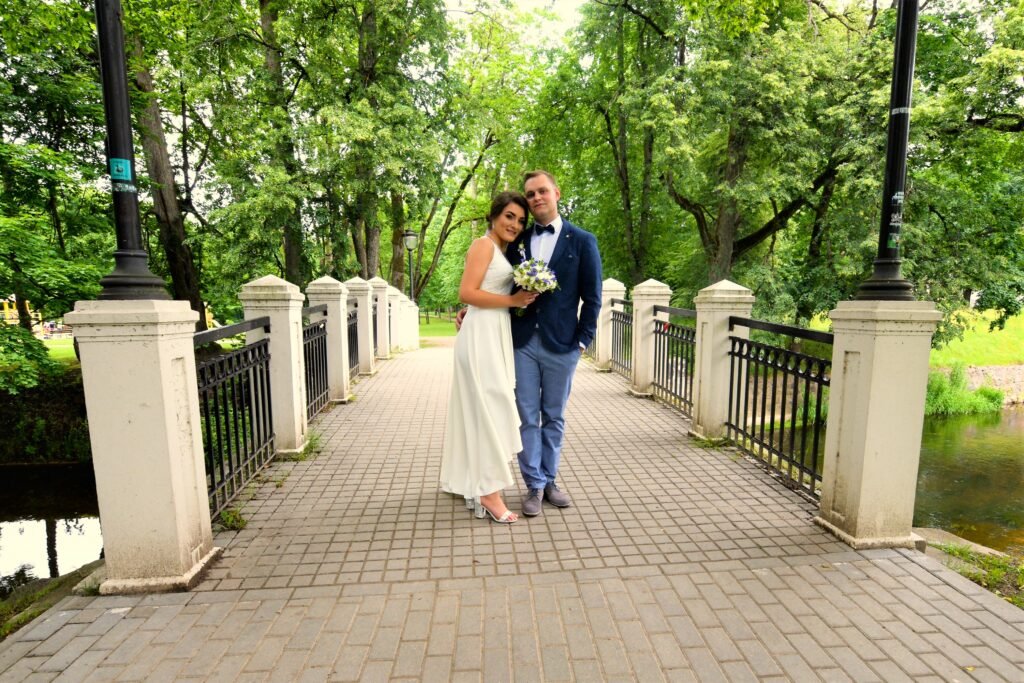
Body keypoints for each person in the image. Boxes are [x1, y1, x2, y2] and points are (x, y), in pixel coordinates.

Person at [457, 171, 603, 517]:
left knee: (554, 416)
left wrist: (582, 342)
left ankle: (550, 480)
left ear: (556, 193)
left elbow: (593, 297)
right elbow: (493, 281)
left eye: (542, 191)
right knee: (524, 416)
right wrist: (468, 309)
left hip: (562, 345)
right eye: (530, 193)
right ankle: (533, 485)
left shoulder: (583, 241)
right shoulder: (516, 240)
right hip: (520, 341)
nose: (536, 197)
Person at [440, 191, 539, 524]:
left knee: (489, 407)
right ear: (494, 215)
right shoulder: (483, 245)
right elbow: (466, 292)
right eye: (509, 216)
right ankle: (488, 492)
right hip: (481, 336)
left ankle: (477, 480)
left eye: (520, 220)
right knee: (489, 409)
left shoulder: (501, 250)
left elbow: (481, 293)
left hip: (493, 330)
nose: (515, 224)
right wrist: (513, 301)